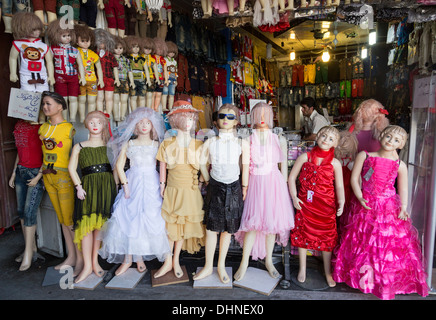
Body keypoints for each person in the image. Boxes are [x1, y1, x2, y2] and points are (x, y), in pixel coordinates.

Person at [332, 125, 429, 300]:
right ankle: (364, 279)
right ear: (382, 135)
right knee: (363, 242)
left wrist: (404, 207)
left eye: (396, 140)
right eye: (389, 136)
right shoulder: (365, 155)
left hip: (389, 207)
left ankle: (383, 281)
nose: (391, 141)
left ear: (401, 145)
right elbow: (355, 178)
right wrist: (360, 196)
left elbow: (403, 188)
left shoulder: (400, 164)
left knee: (386, 246)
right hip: (366, 204)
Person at [99, 107, 171, 276]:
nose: (144, 125)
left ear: (152, 125)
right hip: (133, 181)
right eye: (140, 123)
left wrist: (162, 185)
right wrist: (125, 184)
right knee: (129, 218)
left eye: (148, 122)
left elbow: (163, 165)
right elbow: (118, 165)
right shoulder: (128, 143)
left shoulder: (157, 144)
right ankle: (128, 259)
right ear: (135, 126)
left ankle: (139, 257)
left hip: (151, 183)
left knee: (148, 218)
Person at [234, 102, 294, 281]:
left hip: (274, 184)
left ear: (270, 117)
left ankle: (269, 260)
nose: (261, 119)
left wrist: (284, 191)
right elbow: (244, 166)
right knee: (252, 224)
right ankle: (244, 261)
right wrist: (244, 186)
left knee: (271, 226)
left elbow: (283, 169)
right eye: (258, 115)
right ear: (252, 117)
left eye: (265, 115)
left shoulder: (279, 139)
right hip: (254, 183)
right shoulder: (247, 140)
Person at [194, 103, 249, 284]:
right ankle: (208, 266)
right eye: (222, 116)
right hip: (215, 186)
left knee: (227, 231)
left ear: (236, 121)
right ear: (217, 120)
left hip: (234, 187)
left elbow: (245, 166)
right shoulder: (210, 142)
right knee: (211, 229)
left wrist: (245, 186)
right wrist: (207, 179)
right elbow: (201, 162)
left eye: (230, 117)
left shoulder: (242, 143)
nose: (226, 119)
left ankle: (220, 265)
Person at [288, 125, 345, 287]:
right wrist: (294, 197)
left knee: (326, 238)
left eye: (331, 139)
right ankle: (302, 269)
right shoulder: (305, 157)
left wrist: (342, 201)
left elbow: (339, 186)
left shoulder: (335, 163)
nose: (326, 140)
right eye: (323, 136)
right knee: (303, 234)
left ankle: (328, 271)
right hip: (305, 204)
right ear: (317, 136)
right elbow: (292, 178)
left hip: (326, 207)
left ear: (336, 144)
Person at [154, 100, 205, 279]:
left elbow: (204, 169)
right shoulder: (168, 143)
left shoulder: (199, 144)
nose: (189, 121)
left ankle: (175, 260)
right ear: (176, 120)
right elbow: (162, 165)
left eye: (191, 117)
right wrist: (162, 185)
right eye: (185, 117)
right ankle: (168, 261)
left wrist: (199, 183)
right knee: (170, 227)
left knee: (183, 227)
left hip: (190, 191)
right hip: (173, 190)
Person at [68, 111, 117, 283]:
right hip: (88, 188)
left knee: (100, 226)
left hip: (106, 187)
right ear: (86, 124)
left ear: (104, 125)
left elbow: (116, 168)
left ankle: (95, 262)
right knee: (87, 225)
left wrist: (117, 187)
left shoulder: (110, 146)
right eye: (91, 122)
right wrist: (78, 187)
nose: (95, 125)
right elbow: (71, 168)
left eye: (99, 122)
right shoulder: (79, 146)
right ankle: (87, 265)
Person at [38, 91, 78, 272]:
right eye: (44, 104)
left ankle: (81, 259)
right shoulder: (42, 129)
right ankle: (71, 256)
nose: (45, 107)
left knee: (69, 220)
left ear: (60, 106)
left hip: (63, 177)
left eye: (49, 104)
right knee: (62, 219)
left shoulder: (69, 128)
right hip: (48, 176)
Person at [9, 120, 45, 271]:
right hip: (21, 170)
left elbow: (50, 153)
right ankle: (30, 248)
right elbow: (20, 150)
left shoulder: (42, 126)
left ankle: (28, 255)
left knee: (29, 212)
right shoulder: (19, 125)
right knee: (21, 212)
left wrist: (39, 175)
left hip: (35, 171)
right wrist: (13, 173)